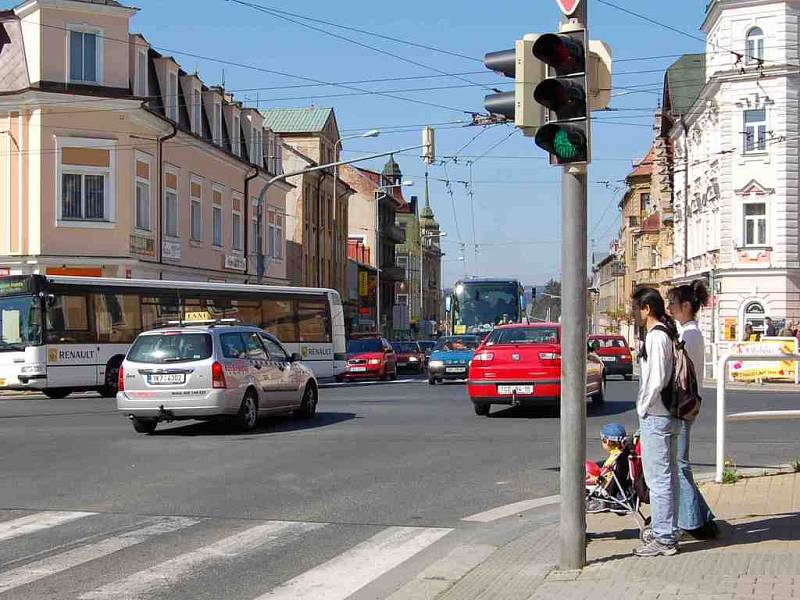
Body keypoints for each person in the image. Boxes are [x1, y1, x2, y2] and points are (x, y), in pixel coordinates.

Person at [667, 281, 718, 540]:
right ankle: (702, 516)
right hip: (690, 402)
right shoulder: (691, 332)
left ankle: (693, 520)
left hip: (683, 403)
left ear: (686, 306)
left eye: (673, 304)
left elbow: (680, 372)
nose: (670, 308)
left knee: (680, 464)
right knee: (681, 463)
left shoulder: (689, 335)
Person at [631, 287, 680, 557]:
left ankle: (663, 538)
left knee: (658, 479)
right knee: (667, 477)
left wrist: (642, 406)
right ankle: (668, 531)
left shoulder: (657, 335)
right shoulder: (664, 333)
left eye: (636, 308)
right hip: (665, 414)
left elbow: (657, 378)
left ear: (646, 309)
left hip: (657, 415)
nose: (633, 314)